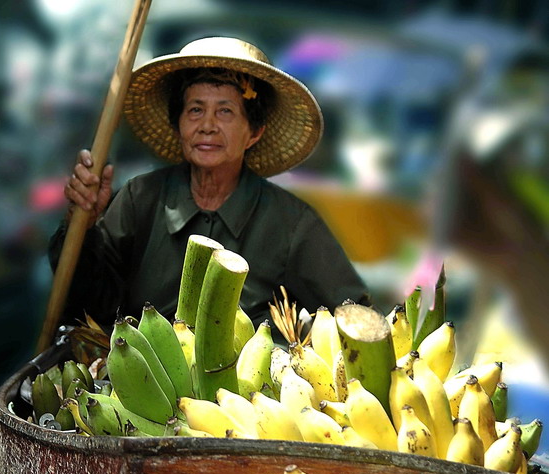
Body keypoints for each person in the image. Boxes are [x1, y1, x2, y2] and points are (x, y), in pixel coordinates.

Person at [49, 37, 370, 338]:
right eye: (195, 110)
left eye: (226, 111)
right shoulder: (139, 197)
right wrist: (82, 224)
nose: (207, 125)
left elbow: (356, 315)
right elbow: (89, 303)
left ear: (254, 132)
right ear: (178, 123)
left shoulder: (291, 222)